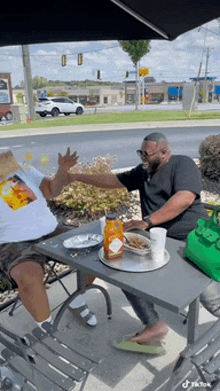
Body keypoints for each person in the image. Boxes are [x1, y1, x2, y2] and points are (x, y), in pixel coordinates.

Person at [67, 132, 220, 353]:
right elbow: (113, 180)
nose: (143, 158)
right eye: (141, 153)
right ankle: (153, 325)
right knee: (122, 268)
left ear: (165, 153)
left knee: (213, 302)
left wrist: (147, 221)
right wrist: (77, 177)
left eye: (147, 154)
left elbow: (185, 198)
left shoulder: (182, 164)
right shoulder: (144, 171)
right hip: (158, 240)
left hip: (193, 240)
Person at [0, 148, 97, 331]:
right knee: (29, 279)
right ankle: (46, 327)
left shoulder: (20, 170)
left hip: (51, 230)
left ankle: (78, 301)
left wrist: (62, 172)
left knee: (94, 250)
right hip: (13, 242)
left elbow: (51, 190)